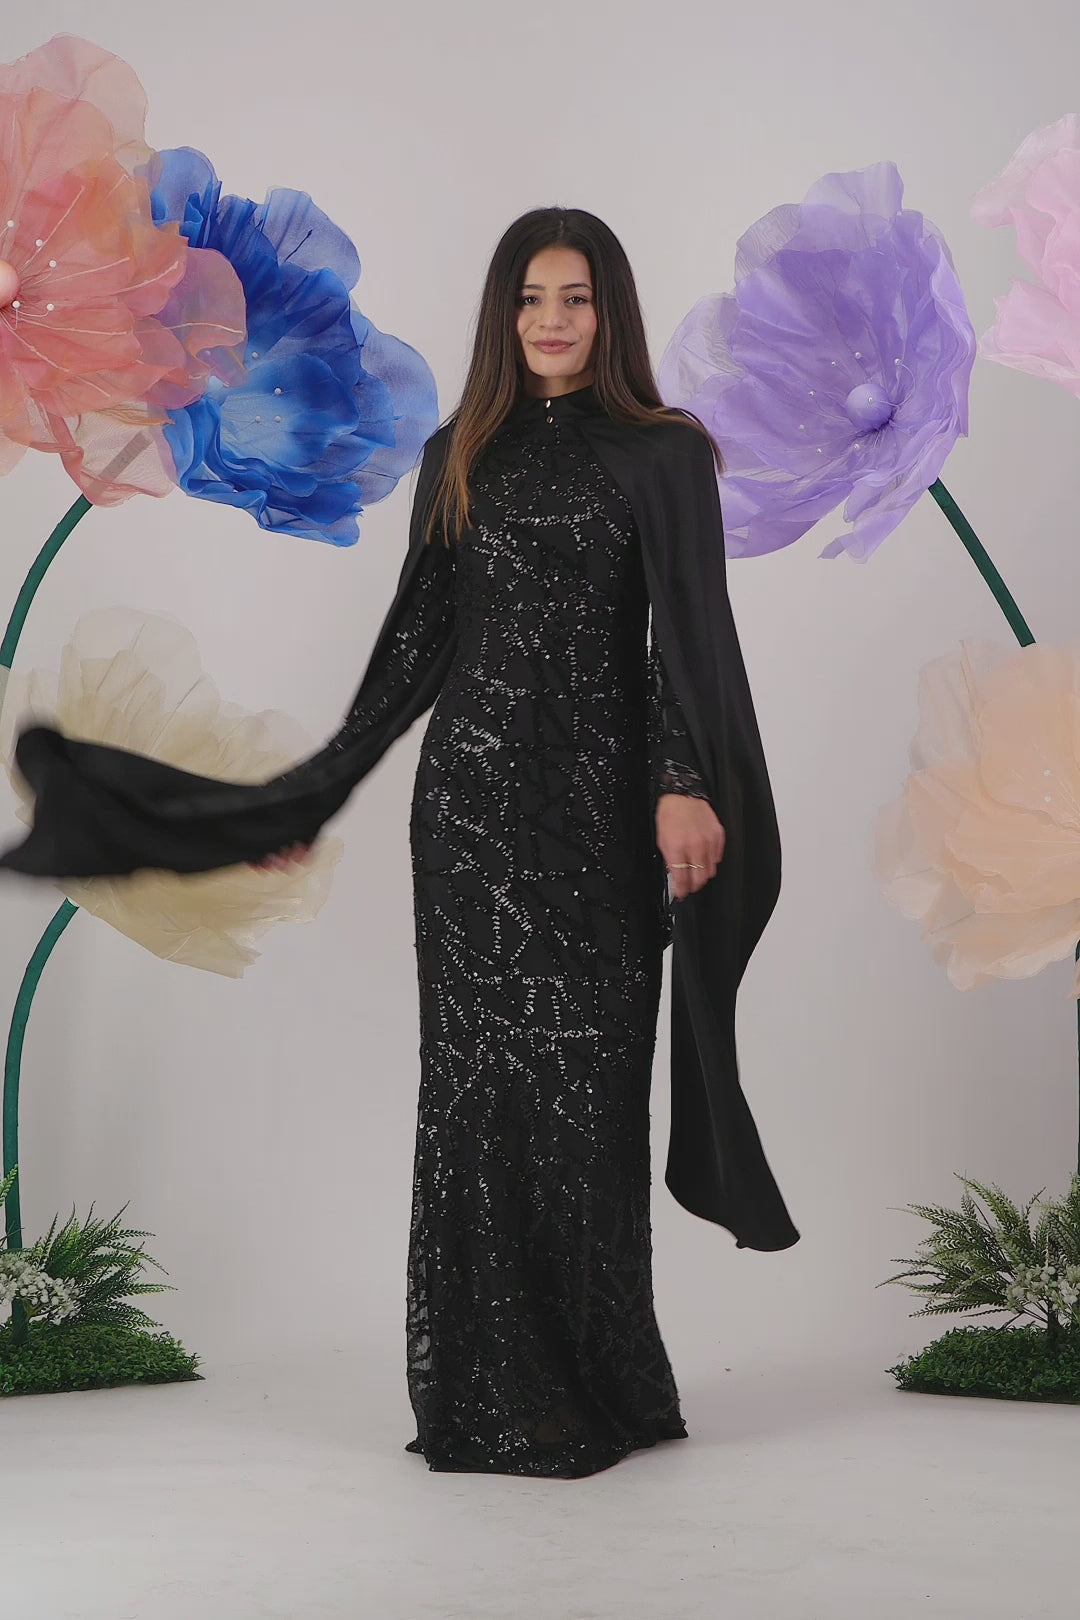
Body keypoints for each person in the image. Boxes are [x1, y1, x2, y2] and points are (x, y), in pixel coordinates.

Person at [0, 206, 798, 1479]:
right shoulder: (460, 452)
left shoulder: (664, 454)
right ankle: (497, 1397)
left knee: (590, 1104)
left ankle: (607, 1383)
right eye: (530, 297)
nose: (551, 320)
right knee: (478, 1106)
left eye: (575, 297)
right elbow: (417, 647)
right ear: (503, 313)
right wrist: (311, 798)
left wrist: (682, 782)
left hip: (600, 823)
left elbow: (685, 643)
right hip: (472, 819)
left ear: (610, 311)